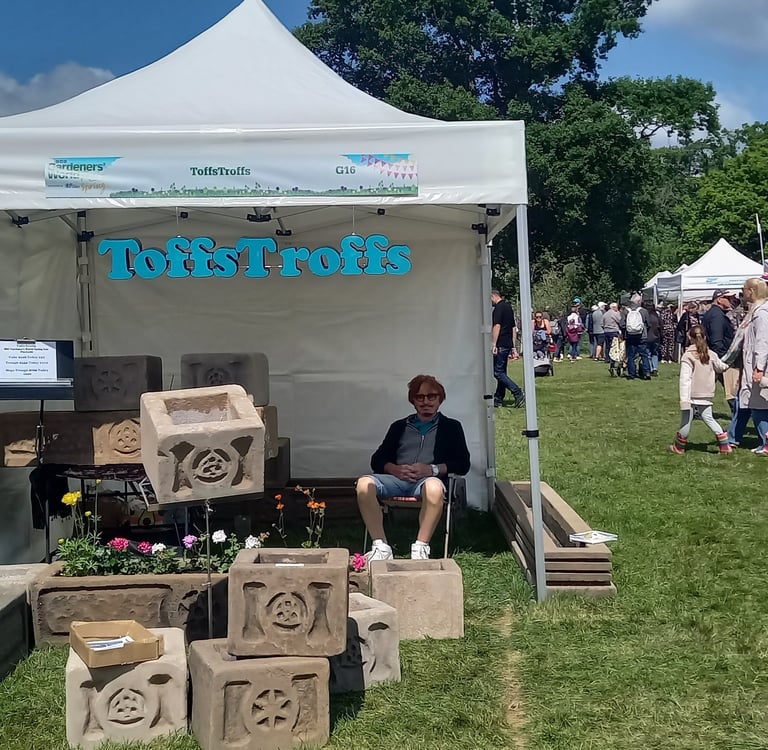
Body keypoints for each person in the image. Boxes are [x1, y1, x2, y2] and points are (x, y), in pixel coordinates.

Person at [356, 374, 471, 560]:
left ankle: (421, 547)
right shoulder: (399, 426)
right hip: (397, 479)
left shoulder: (451, 427)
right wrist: (394, 470)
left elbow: (463, 463)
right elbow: (377, 459)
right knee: (363, 484)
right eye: (420, 397)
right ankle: (380, 546)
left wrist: (431, 469)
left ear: (440, 399)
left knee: (433, 488)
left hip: (428, 481)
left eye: (431, 396)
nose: (426, 402)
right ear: (413, 401)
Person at [669, 325, 732, 454]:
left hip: (691, 394)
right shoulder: (711, 354)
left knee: (686, 420)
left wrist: (684, 400)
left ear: (690, 338)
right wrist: (730, 362)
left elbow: (685, 379)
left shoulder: (688, 356)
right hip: (707, 393)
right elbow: (721, 367)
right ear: (705, 337)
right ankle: (724, 444)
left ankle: (679, 447)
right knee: (708, 418)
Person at [729, 278, 768, 453]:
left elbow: (762, 341)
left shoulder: (762, 313)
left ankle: (765, 442)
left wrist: (759, 367)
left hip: (759, 367)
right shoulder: (755, 311)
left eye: (744, 289)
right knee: (751, 403)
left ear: (752, 291)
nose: (742, 293)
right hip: (751, 365)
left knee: (759, 405)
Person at [702, 289, 737, 413]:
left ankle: (697, 410)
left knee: (707, 386)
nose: (731, 300)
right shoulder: (717, 316)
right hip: (720, 356)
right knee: (731, 388)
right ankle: (739, 413)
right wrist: (724, 359)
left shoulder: (714, 313)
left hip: (713, 355)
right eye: (727, 298)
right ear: (719, 299)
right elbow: (717, 339)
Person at [490, 289, 525, 407]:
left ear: (493, 296)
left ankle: (517, 392)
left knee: (497, 372)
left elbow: (497, 325)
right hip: (507, 343)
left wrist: (494, 344)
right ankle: (498, 398)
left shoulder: (498, 308)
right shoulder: (508, 307)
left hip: (500, 343)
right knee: (502, 371)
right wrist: (513, 346)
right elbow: (513, 328)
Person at [620, 294, 652, 380]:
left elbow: (622, 324)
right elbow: (649, 324)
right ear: (639, 301)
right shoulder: (644, 311)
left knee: (631, 356)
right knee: (644, 355)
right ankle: (647, 372)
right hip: (642, 336)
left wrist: (625, 331)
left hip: (630, 336)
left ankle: (632, 374)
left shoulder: (626, 311)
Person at [644, 300, 661, 375]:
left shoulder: (645, 316)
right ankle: (655, 368)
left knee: (647, 353)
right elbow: (661, 326)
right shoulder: (656, 315)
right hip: (656, 337)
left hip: (647, 337)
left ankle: (650, 368)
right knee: (655, 353)